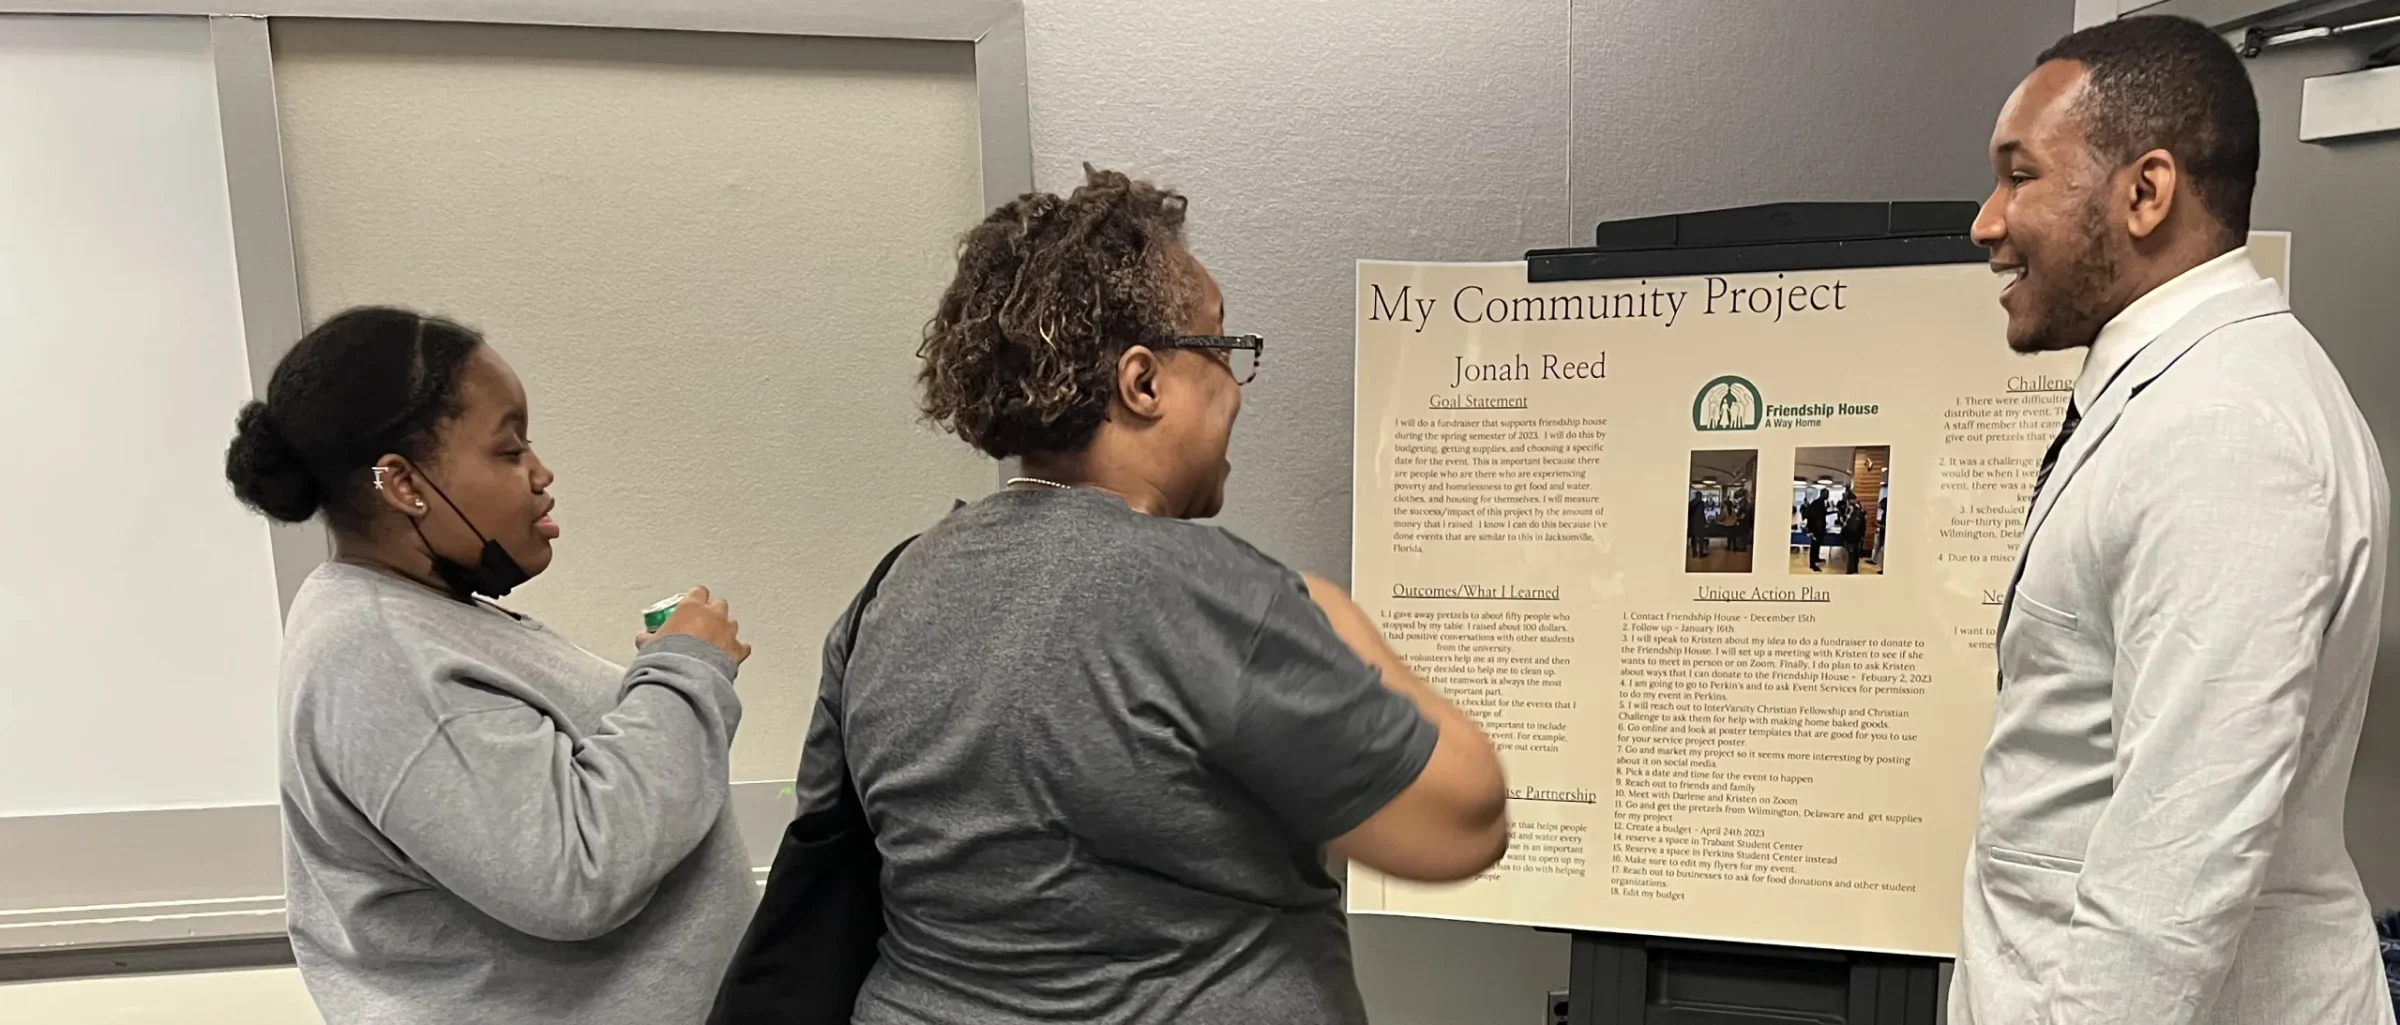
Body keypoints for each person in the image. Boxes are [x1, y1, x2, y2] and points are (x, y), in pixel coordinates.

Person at [770, 167, 1509, 1025]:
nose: (1236, 387)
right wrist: (1330, 614)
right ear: (1143, 381)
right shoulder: (1202, 592)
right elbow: (1463, 822)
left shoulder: (889, 593)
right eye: (1222, 349)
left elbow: (832, 826)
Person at [1957, 16, 2390, 1025]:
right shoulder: (2181, 398)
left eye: (2019, 176)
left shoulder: (2229, 432)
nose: (1986, 220)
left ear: (2146, 192)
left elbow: (2173, 874)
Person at [223, 308, 757, 1024]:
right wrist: (684, 669)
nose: (541, 473)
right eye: (509, 451)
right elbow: (578, 871)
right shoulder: (381, 653)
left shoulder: (420, 617)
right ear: (404, 484)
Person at [1837, 492, 1866, 574]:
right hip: (1856, 536)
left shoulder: (1855, 511)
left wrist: (1845, 523)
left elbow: (1851, 526)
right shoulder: (1858, 509)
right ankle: (1855, 570)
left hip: (1852, 536)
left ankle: (1850, 573)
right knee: (1854, 555)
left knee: (1852, 555)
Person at [1801, 488, 1830, 571]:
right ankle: (1812, 564)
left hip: (1819, 529)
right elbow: (1811, 516)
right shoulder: (1817, 503)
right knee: (1814, 546)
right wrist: (1812, 529)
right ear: (1822, 494)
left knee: (1817, 545)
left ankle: (1816, 558)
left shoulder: (1821, 503)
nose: (1828, 496)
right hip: (1816, 529)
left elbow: (1822, 515)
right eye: (1826, 494)